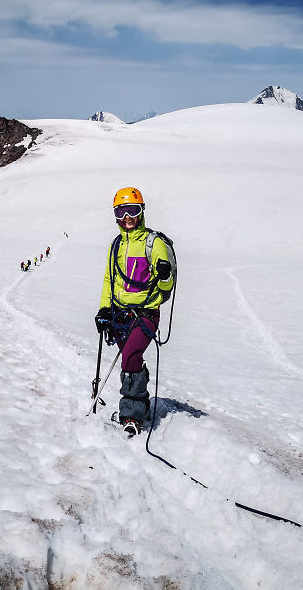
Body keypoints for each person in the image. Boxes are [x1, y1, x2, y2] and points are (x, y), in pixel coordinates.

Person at [95, 187, 174, 437]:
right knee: (132, 359)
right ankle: (142, 401)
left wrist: (163, 276)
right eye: (121, 211)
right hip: (120, 314)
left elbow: (167, 286)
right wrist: (104, 309)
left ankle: (132, 413)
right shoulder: (116, 244)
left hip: (146, 313)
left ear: (141, 212)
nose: (127, 216)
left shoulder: (155, 243)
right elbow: (110, 279)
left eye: (133, 210)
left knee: (129, 358)